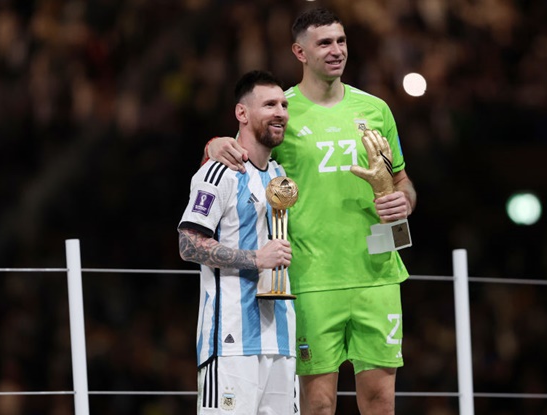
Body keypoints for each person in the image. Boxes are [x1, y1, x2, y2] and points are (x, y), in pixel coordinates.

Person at [204, 8, 416, 415]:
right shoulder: (282, 110)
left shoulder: (376, 109)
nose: (337, 51)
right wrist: (213, 145)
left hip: (377, 275)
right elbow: (237, 155)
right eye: (324, 43)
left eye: (341, 41)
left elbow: (402, 179)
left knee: (381, 401)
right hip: (310, 277)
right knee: (317, 404)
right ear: (299, 52)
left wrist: (404, 199)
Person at [178, 70, 297, 415]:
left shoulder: (279, 175)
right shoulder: (218, 172)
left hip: (280, 338)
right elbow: (188, 243)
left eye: (284, 105)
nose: (280, 112)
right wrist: (256, 259)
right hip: (231, 341)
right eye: (270, 105)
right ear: (242, 113)